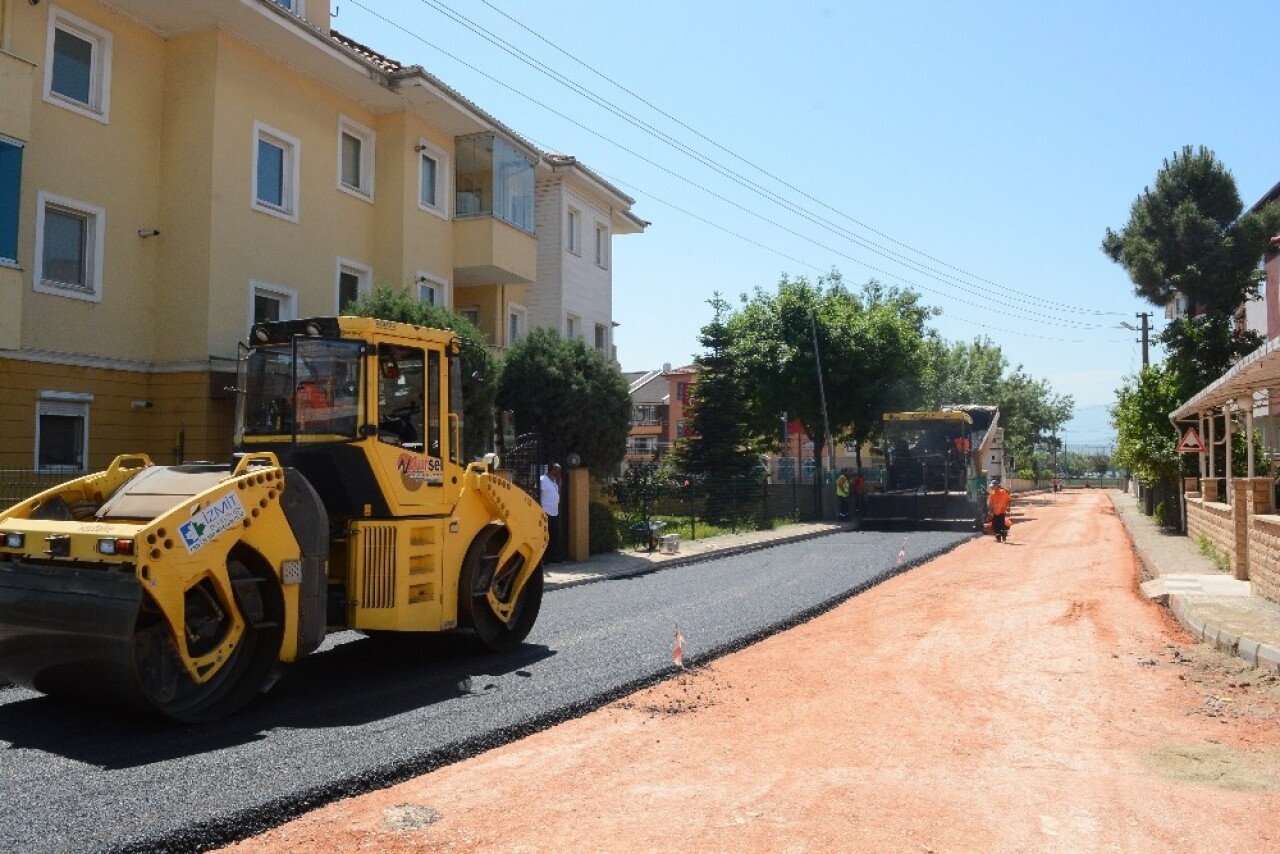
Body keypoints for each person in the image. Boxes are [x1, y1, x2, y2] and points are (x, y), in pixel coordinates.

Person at [540, 463, 563, 562]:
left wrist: (559, 483)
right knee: (546, 536)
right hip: (545, 512)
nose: (559, 473)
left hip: (554, 512)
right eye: (558, 471)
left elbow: (556, 494)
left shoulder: (554, 481)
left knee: (554, 534)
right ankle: (545, 558)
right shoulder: (542, 479)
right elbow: (538, 493)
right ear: (553, 470)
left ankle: (553, 557)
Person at [988, 477, 1011, 542]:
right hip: (995, 512)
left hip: (1002, 511)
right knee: (995, 524)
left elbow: (1009, 500)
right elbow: (990, 503)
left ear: (997, 486)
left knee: (1001, 524)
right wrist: (990, 511)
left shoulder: (1003, 492)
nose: (992, 487)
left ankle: (1004, 535)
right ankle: (998, 537)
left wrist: (1008, 507)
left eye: (993, 486)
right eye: (991, 486)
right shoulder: (992, 494)